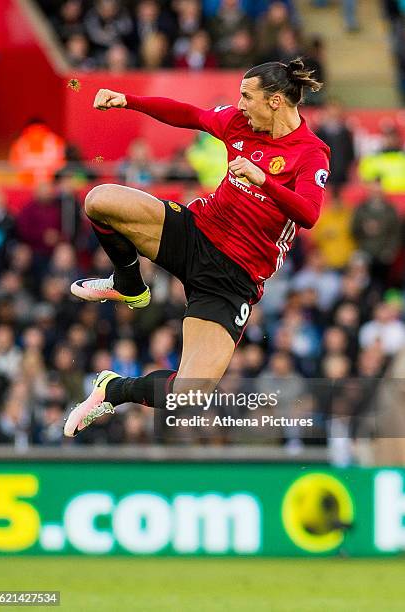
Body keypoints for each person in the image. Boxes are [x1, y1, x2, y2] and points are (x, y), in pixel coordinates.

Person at [64, 58, 330, 437]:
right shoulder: (239, 123)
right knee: (99, 200)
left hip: (233, 278)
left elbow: (309, 214)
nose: (239, 104)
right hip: (196, 233)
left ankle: (113, 389)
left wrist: (265, 182)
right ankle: (128, 285)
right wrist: (128, 100)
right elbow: (188, 114)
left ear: (274, 101)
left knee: (189, 394)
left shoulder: (310, 152)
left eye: (247, 97)